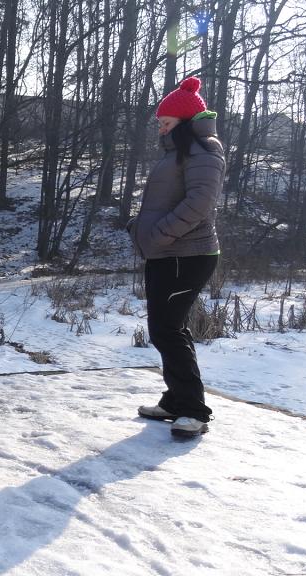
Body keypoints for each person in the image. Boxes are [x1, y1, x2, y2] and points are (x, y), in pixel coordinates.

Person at [127, 77, 224, 438]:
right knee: (166, 329)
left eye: (165, 120)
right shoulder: (180, 151)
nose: (160, 125)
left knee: (167, 330)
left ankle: (194, 411)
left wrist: (157, 233)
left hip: (188, 254)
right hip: (167, 252)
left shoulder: (205, 151)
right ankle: (175, 400)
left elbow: (199, 205)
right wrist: (141, 227)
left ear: (183, 121)